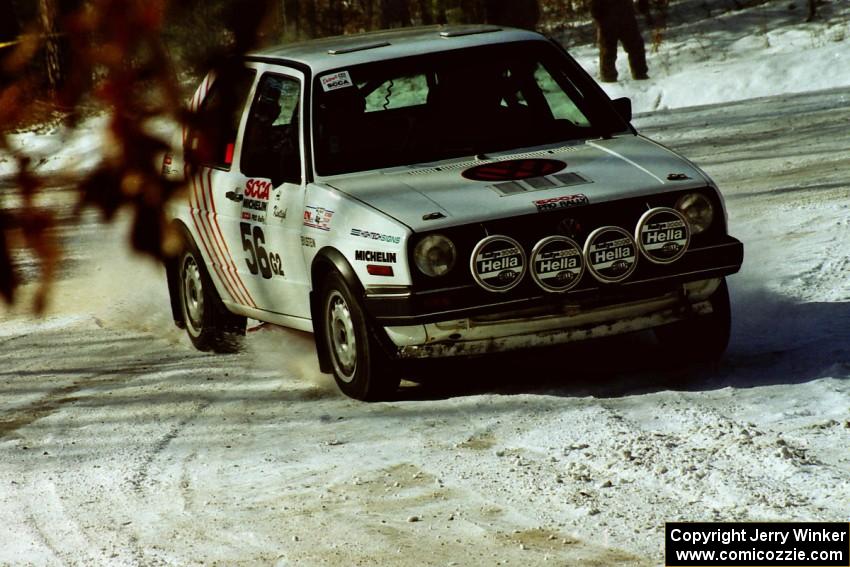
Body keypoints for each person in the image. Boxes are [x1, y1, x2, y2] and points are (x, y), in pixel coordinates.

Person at [590, 0, 650, 82]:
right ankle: (608, 77)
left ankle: (640, 73)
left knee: (636, 45)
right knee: (608, 48)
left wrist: (643, 5)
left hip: (625, 14)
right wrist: (596, 13)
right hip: (606, 15)